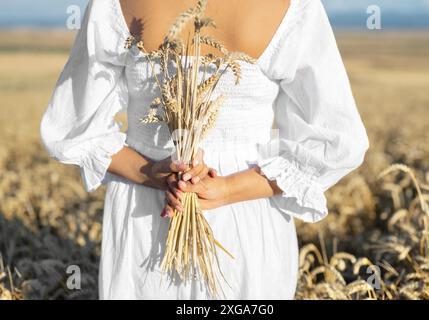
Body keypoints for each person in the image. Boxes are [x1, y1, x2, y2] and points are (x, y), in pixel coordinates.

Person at [40, 0, 369, 299]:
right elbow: (337, 141)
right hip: (249, 221)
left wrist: (154, 173)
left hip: (146, 217)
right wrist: (225, 189)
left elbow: (72, 128)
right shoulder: (293, 7)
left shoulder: (113, 4)